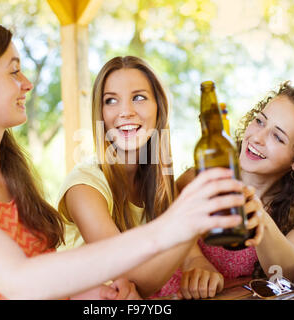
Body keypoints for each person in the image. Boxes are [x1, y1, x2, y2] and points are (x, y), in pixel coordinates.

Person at [0, 22, 246, 300]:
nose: (27, 83)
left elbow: (44, 281)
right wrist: (180, 224)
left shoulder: (13, 179)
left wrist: (90, 293)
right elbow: (20, 281)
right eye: (13, 72)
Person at [55, 56, 263, 299]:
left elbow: (193, 258)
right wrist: (194, 220)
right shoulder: (84, 188)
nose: (126, 112)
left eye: (139, 97)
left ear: (158, 108)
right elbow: (137, 280)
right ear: (100, 113)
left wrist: (202, 271)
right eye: (111, 100)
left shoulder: (159, 183)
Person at [176, 82, 294, 299]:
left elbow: (284, 273)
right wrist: (195, 260)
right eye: (260, 121)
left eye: (278, 137)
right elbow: (160, 220)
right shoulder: (197, 179)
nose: (257, 138)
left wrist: (258, 214)